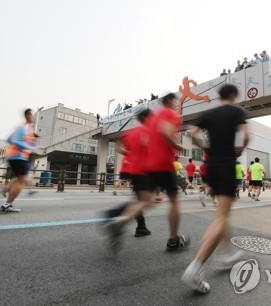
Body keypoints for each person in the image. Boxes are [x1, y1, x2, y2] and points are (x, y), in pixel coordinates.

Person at [182, 84, 249, 294]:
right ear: (233, 96)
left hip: (211, 165)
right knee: (221, 217)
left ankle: (226, 253)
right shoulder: (237, 111)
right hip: (227, 163)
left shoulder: (208, 113)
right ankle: (196, 267)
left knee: (222, 213)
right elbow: (246, 136)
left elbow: (191, 131)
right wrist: (239, 149)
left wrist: (204, 147)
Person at [106, 93, 189, 252]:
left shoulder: (152, 120)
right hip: (164, 164)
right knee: (174, 200)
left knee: (144, 200)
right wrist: (177, 146)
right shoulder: (171, 114)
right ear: (171, 102)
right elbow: (165, 131)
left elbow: (135, 143)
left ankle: (121, 222)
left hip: (147, 167)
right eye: (175, 101)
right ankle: (173, 240)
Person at [105, 109, 153, 238]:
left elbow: (117, 146)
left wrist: (128, 153)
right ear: (148, 118)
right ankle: (117, 216)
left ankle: (141, 227)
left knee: (139, 200)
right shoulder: (148, 131)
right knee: (146, 201)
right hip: (145, 170)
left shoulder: (131, 133)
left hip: (133, 171)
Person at [0, 109, 37, 213]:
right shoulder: (24, 127)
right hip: (18, 157)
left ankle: (5, 190)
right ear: (28, 116)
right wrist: (27, 147)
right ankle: (7, 205)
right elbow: (13, 140)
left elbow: (9, 138)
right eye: (32, 115)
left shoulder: (23, 127)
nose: (33, 117)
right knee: (22, 181)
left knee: (19, 178)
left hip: (15, 157)